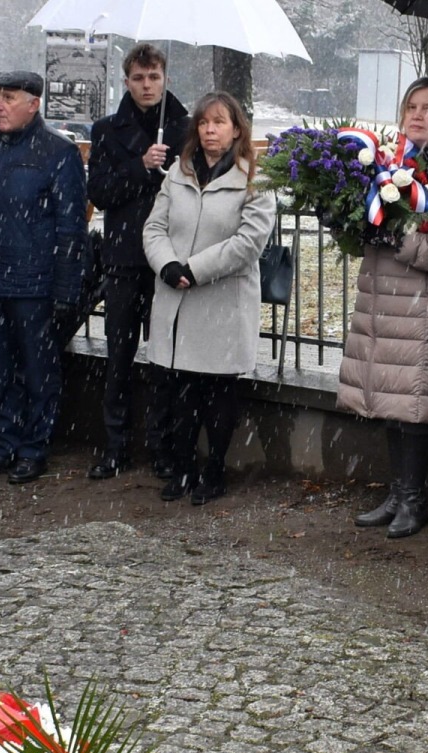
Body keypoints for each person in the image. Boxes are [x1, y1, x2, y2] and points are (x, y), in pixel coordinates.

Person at [339, 76, 428, 538]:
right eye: (411, 107)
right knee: (393, 403)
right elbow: (366, 230)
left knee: (414, 406)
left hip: (425, 306)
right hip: (385, 301)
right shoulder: (387, 162)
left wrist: (396, 237)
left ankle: (415, 501)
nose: (417, 115)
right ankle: (397, 494)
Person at [143, 91, 273, 505]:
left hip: (221, 302)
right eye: (203, 123)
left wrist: (195, 269)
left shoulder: (254, 179)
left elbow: (248, 243)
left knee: (217, 392)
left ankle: (214, 470)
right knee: (181, 393)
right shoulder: (177, 173)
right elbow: (154, 227)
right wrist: (167, 264)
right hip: (177, 298)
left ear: (236, 129)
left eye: (219, 122)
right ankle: (183, 468)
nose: (210, 131)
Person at [0, 70, 88, 484]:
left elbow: (71, 228)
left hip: (35, 284)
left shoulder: (58, 152)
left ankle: (34, 448)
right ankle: (4, 444)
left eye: (6, 97)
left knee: (37, 370)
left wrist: (66, 287)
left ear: (33, 104)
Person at [84, 42, 188, 481]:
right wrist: (141, 166)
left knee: (167, 358)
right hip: (124, 258)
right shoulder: (107, 130)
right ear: (126, 81)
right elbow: (99, 192)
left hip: (169, 259)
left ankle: (164, 447)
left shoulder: (186, 128)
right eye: (139, 78)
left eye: (154, 77)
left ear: (165, 79)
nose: (147, 86)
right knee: (119, 358)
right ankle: (116, 446)